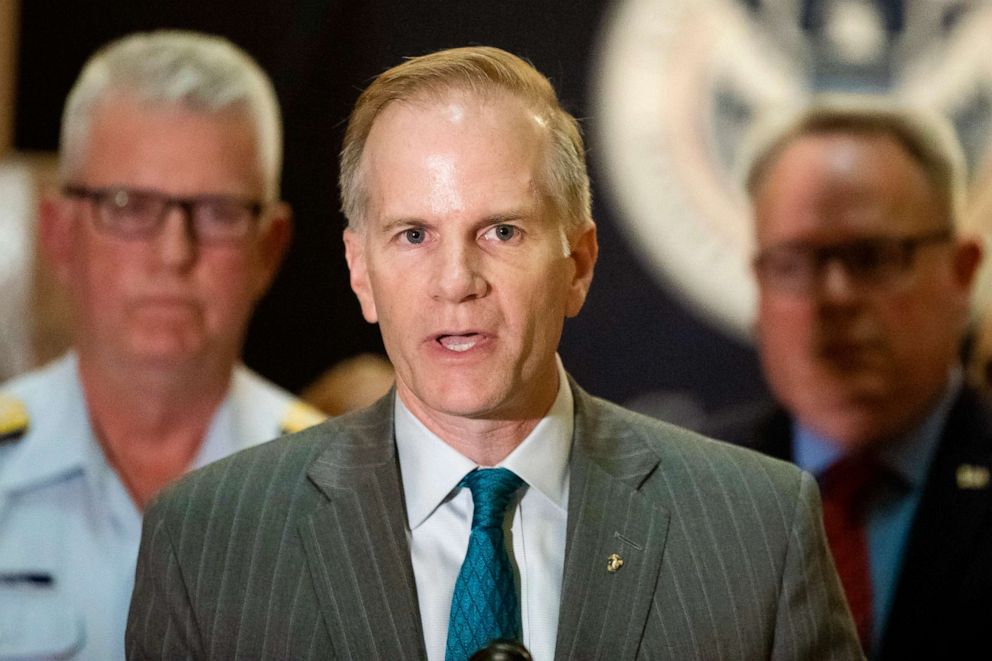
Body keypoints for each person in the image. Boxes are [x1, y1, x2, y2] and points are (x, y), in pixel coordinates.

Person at [126, 46, 862, 660]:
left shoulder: (758, 532)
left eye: (501, 231)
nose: (456, 282)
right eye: (413, 234)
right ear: (360, 272)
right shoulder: (208, 542)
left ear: (578, 262)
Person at [0, 31, 324, 660]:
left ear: (270, 247)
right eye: (127, 205)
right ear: (60, 234)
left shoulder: (344, 495)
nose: (174, 253)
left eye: (219, 212)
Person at [717, 100, 990, 659]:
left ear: (962, 272)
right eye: (794, 261)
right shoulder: (690, 495)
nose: (834, 297)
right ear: (759, 288)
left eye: (873, 257)